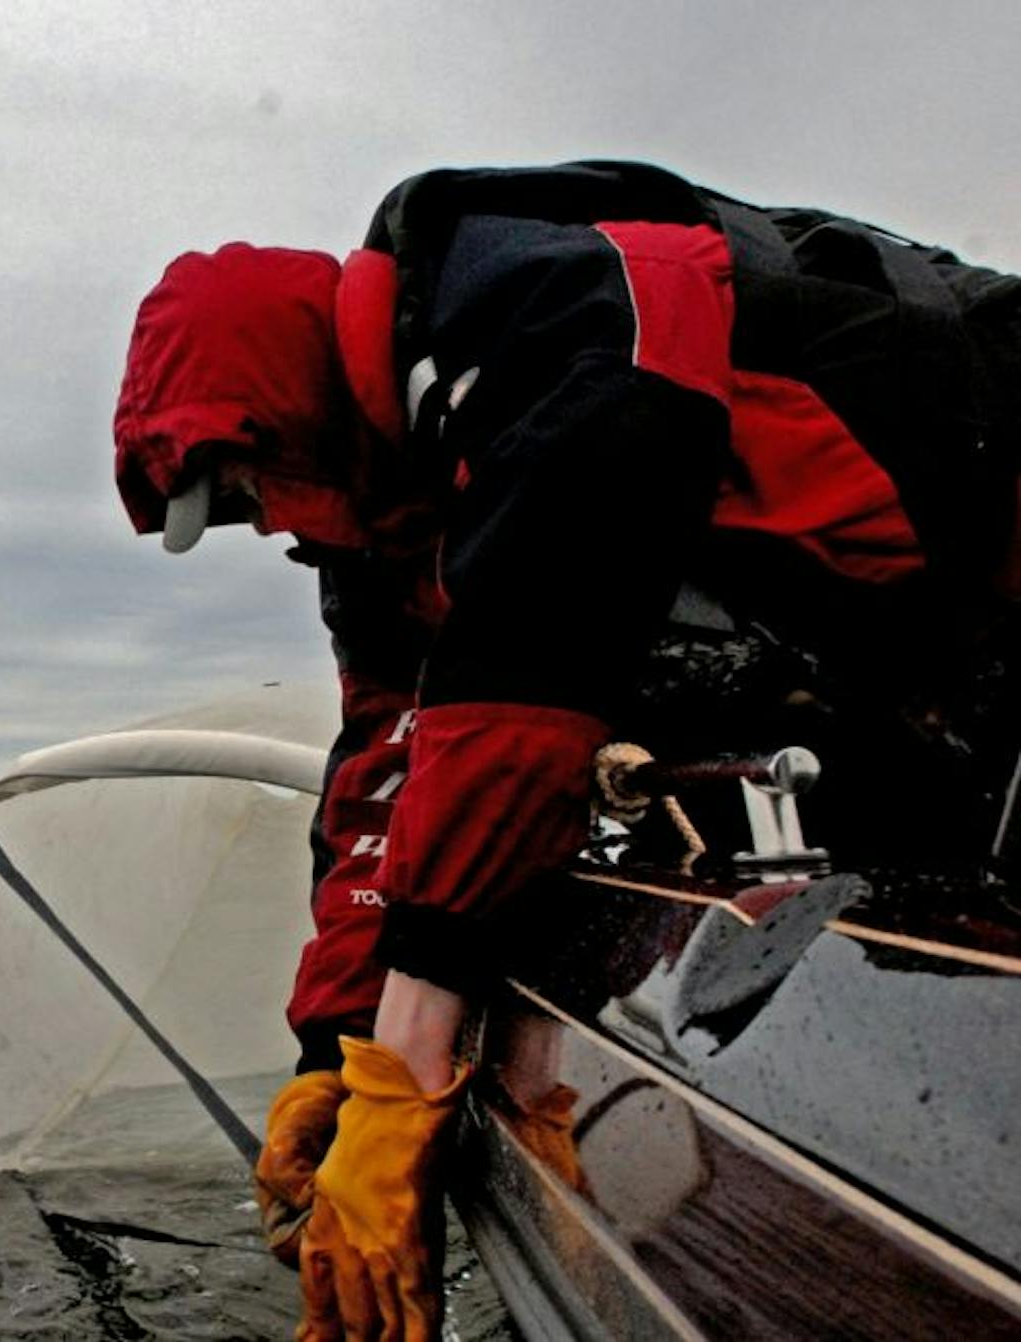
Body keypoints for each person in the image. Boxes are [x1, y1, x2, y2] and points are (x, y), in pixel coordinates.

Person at [111, 160, 1020, 1340]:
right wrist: (336, 1049)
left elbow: (532, 658)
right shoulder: (391, 545)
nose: (269, 523)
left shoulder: (543, 297)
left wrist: (411, 1060)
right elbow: (389, 767)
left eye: (244, 491)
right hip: (910, 656)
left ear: (285, 405)